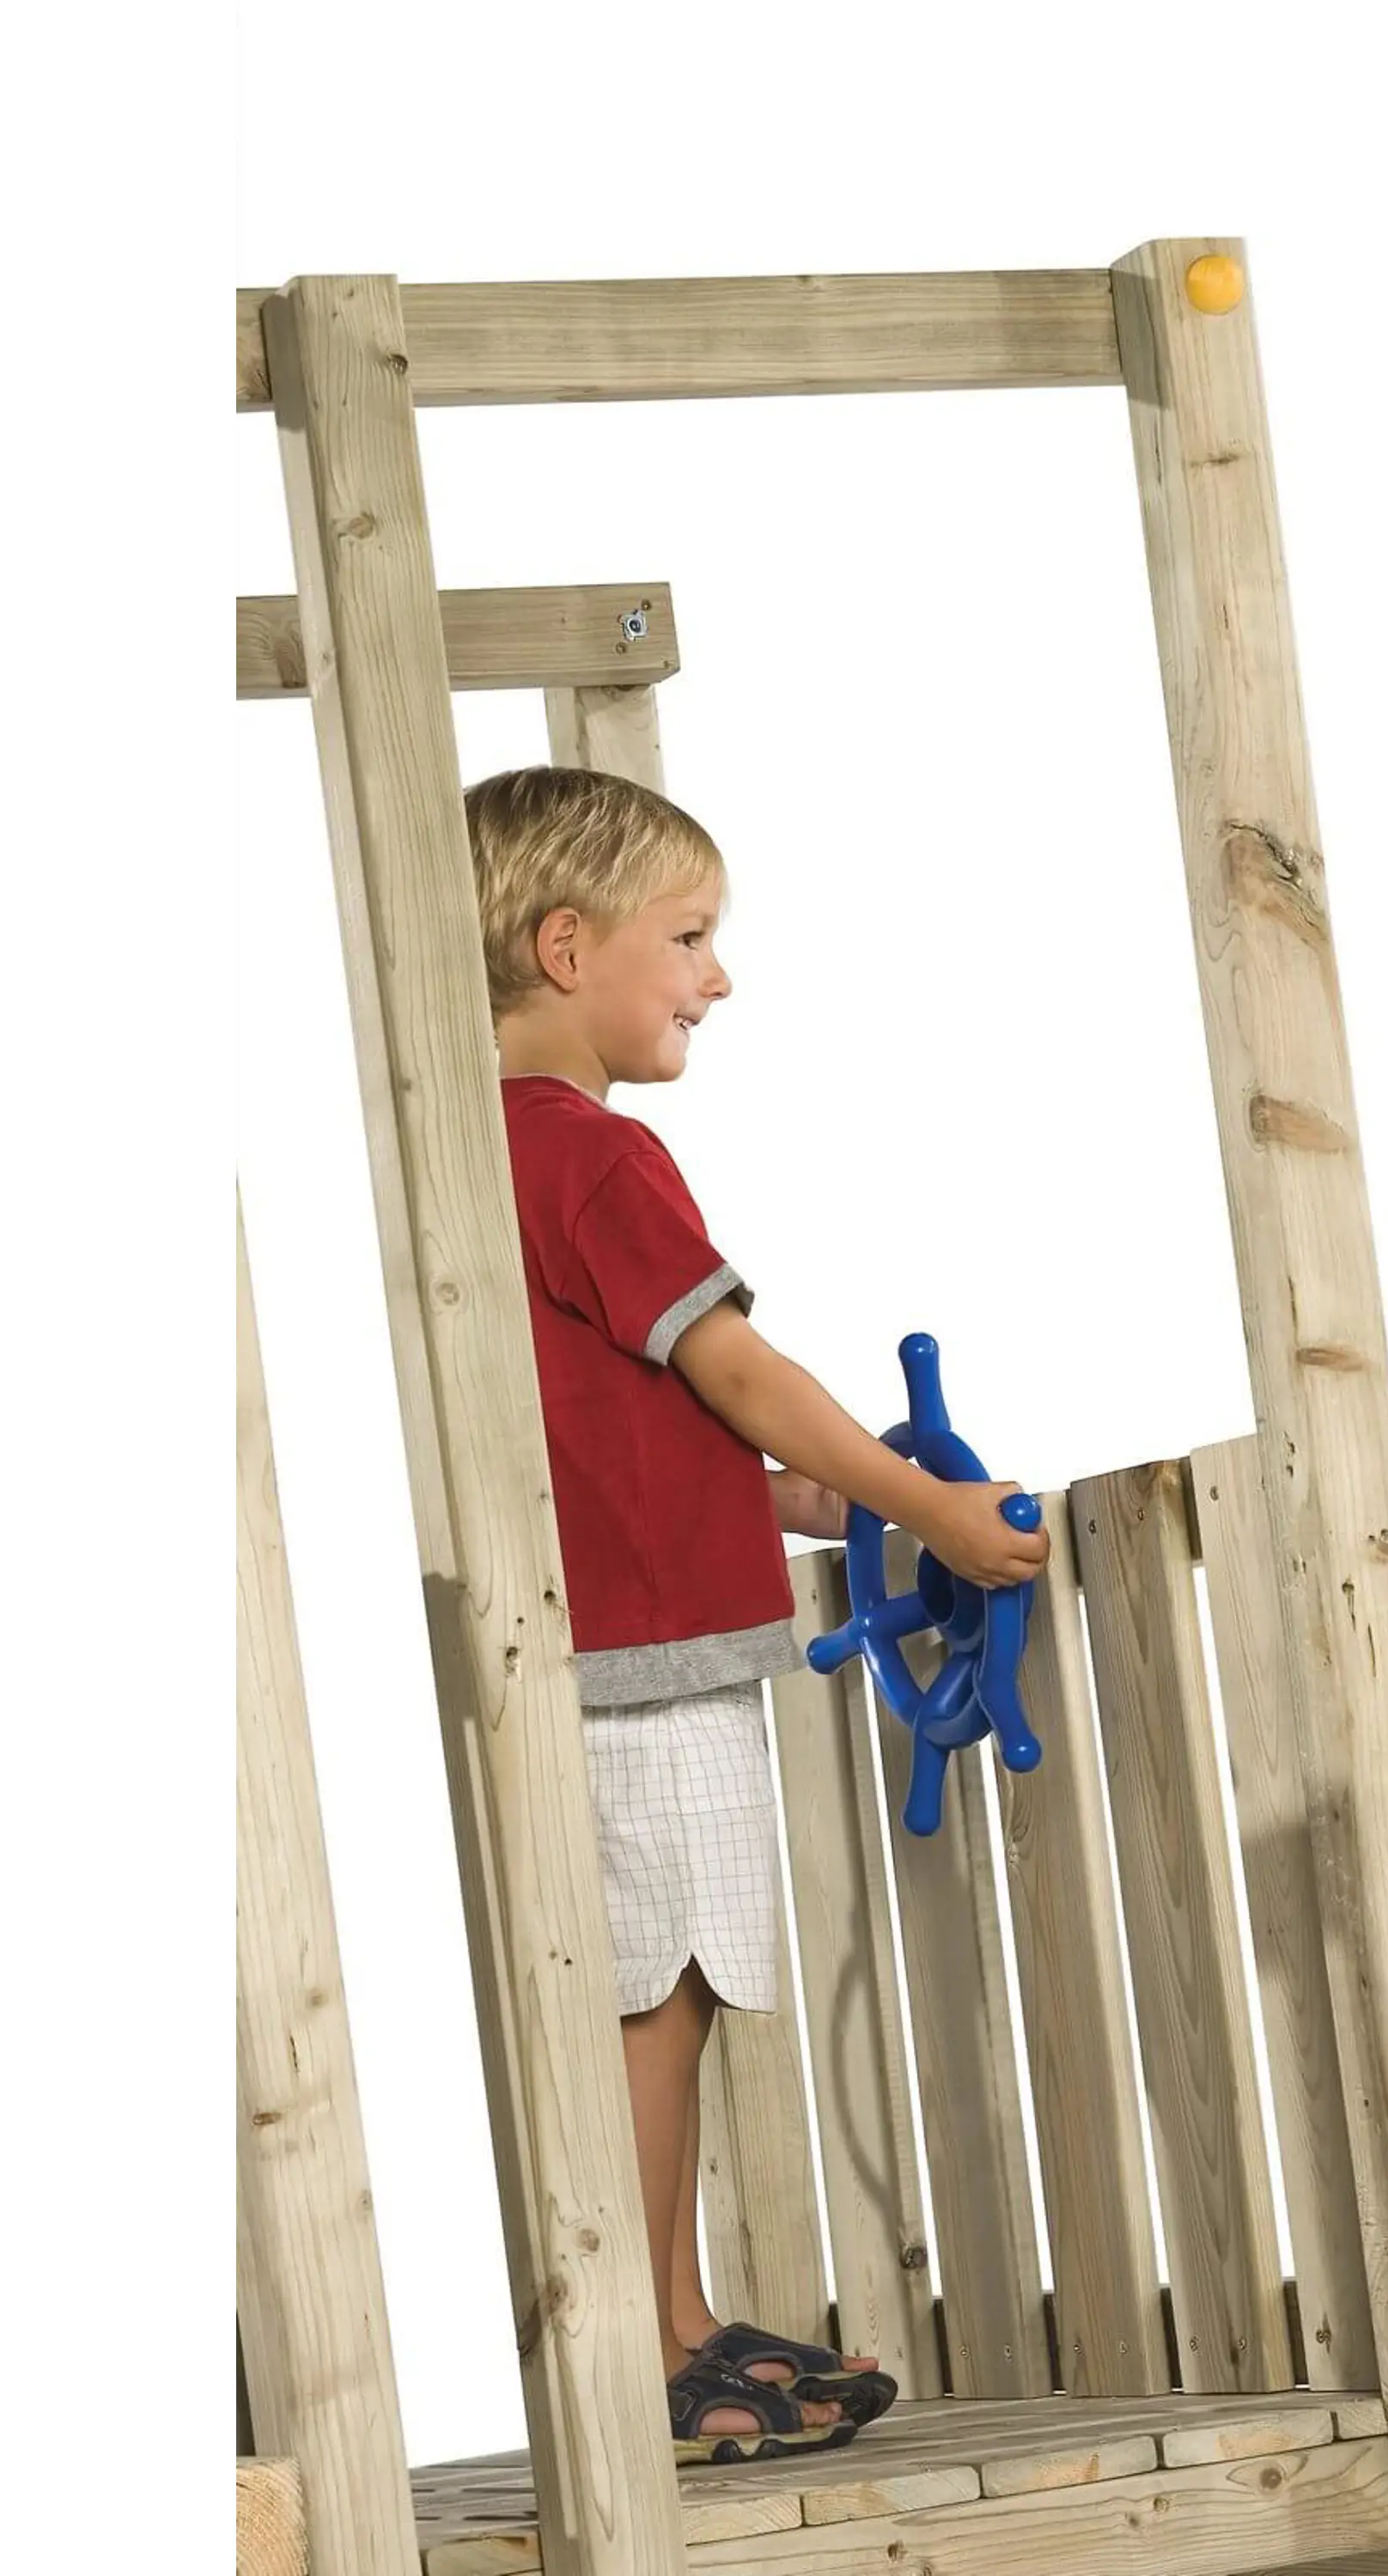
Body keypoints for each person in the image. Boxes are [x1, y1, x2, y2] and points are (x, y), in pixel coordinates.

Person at [465, 765, 1050, 2462]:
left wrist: (821, 1497)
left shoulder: (491, 1156)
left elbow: (649, 1424)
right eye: (689, 939)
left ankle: (681, 2314)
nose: (715, 979)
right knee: (660, 1991)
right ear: (566, 947)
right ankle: (644, 2349)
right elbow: (729, 1366)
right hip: (649, 1663)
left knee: (666, 1987)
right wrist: (926, 1505)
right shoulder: (590, 1153)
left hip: (609, 1631)